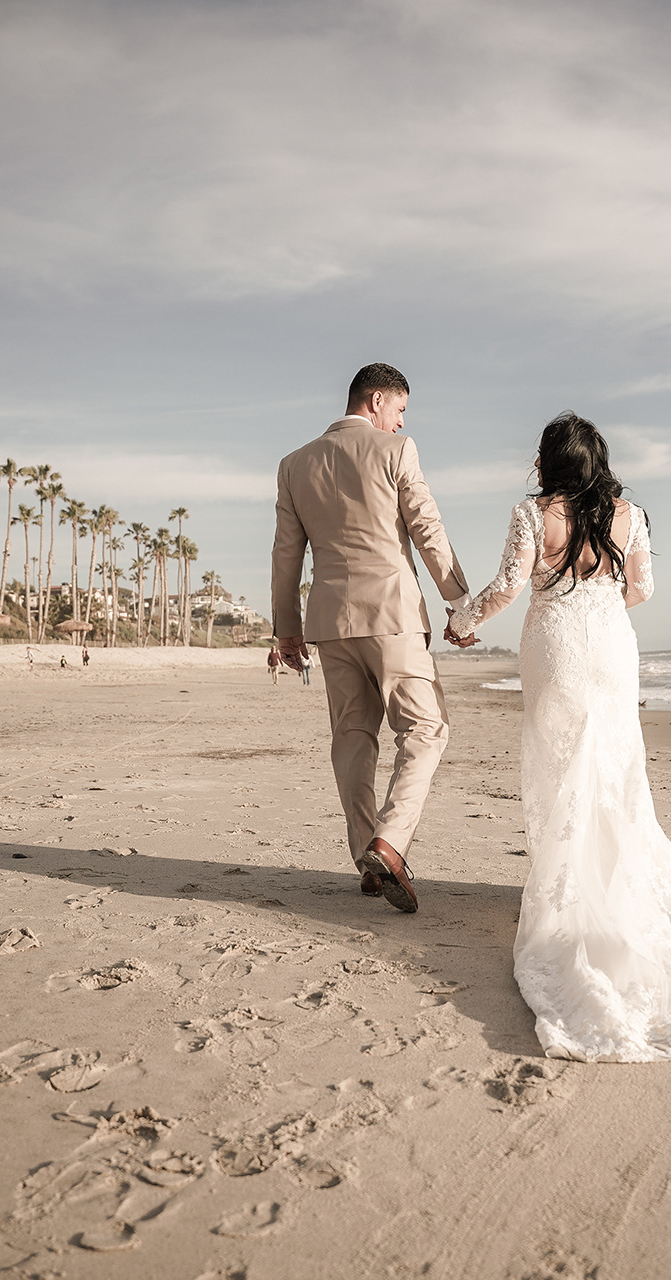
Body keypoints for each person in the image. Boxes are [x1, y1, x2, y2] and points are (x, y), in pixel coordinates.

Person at [447, 412, 671, 1063]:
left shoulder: (532, 514)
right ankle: (612, 888)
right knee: (614, 770)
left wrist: (463, 621)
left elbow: (507, 586)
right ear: (599, 459)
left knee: (565, 771)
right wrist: (598, 603)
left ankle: (575, 894)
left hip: (553, 646)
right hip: (611, 647)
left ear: (547, 462)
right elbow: (643, 589)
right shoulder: (629, 515)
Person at [271, 363, 470, 913]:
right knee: (426, 730)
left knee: (353, 737)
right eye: (400, 411)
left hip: (331, 623)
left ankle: (366, 856)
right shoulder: (396, 452)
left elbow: (287, 554)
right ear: (377, 401)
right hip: (394, 616)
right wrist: (460, 602)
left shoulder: (294, 464)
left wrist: (288, 632)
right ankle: (389, 842)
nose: (402, 424)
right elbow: (427, 528)